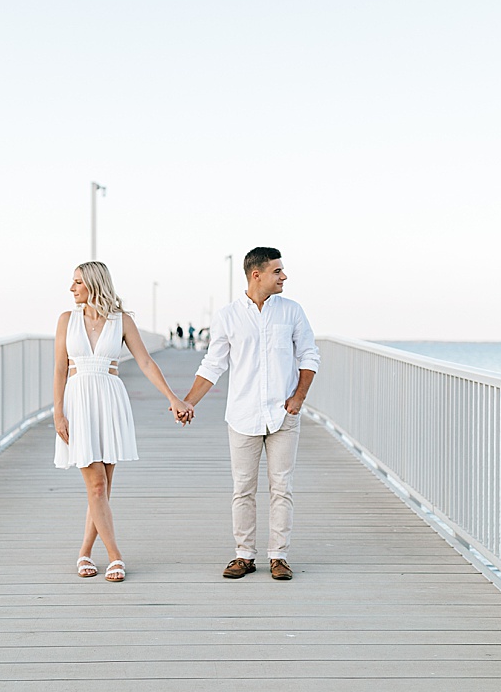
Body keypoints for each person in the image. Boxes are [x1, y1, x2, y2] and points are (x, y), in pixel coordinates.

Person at [183, 247, 319, 581]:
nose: (284, 276)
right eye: (277, 271)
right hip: (243, 414)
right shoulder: (228, 316)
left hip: (283, 414)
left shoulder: (292, 312)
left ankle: (279, 556)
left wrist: (298, 398)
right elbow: (213, 364)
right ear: (256, 275)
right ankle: (244, 555)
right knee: (243, 487)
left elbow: (309, 355)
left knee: (281, 486)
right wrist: (188, 402)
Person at [54, 261, 193, 582]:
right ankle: (115, 555)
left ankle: (85, 552)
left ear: (93, 284)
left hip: (110, 399)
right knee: (97, 485)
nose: (72, 288)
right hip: (78, 401)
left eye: (77, 282)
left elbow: (145, 361)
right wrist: (58, 412)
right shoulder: (66, 320)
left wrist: (173, 398)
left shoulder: (121, 320)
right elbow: (60, 368)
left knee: (101, 488)